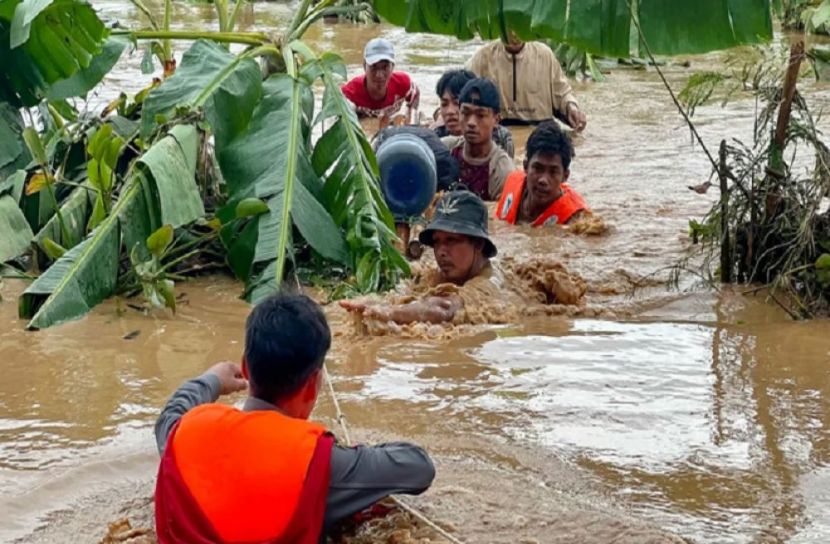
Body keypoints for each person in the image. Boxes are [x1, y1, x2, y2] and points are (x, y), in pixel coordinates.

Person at [154, 294, 435, 543]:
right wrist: (354, 456)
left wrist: (212, 380)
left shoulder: (186, 433)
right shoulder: (320, 460)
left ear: (244, 367)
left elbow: (172, 412)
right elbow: (418, 468)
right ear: (314, 383)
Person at [341, 190, 498, 325]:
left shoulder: (487, 285)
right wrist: (375, 301)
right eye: (436, 242)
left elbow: (445, 309)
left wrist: (390, 312)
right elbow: (409, 289)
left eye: (451, 240)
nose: (441, 252)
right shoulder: (436, 275)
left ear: (478, 244)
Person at [467, 34, 587, 131]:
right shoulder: (483, 57)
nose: (515, 34)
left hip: (541, 130)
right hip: (499, 130)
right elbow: (463, 95)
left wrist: (572, 108)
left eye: (520, 28)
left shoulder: (545, 55)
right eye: (510, 28)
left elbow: (562, 93)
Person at [496, 121, 589, 226]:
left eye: (553, 172)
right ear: (526, 166)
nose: (543, 180)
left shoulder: (574, 218)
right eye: (537, 168)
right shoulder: (512, 183)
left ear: (565, 176)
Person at [450, 78, 515, 201]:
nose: (471, 122)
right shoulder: (447, 149)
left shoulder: (502, 170)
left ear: (496, 120)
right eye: (466, 113)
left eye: (480, 115)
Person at [432, 69, 515, 158]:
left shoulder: (501, 138)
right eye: (444, 104)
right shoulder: (436, 138)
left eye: (456, 103)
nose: (450, 111)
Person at [341, 38, 420, 123]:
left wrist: (410, 116)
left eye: (385, 67)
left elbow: (415, 93)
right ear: (364, 66)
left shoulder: (403, 84)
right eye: (373, 67)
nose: (379, 75)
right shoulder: (351, 93)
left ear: (392, 67)